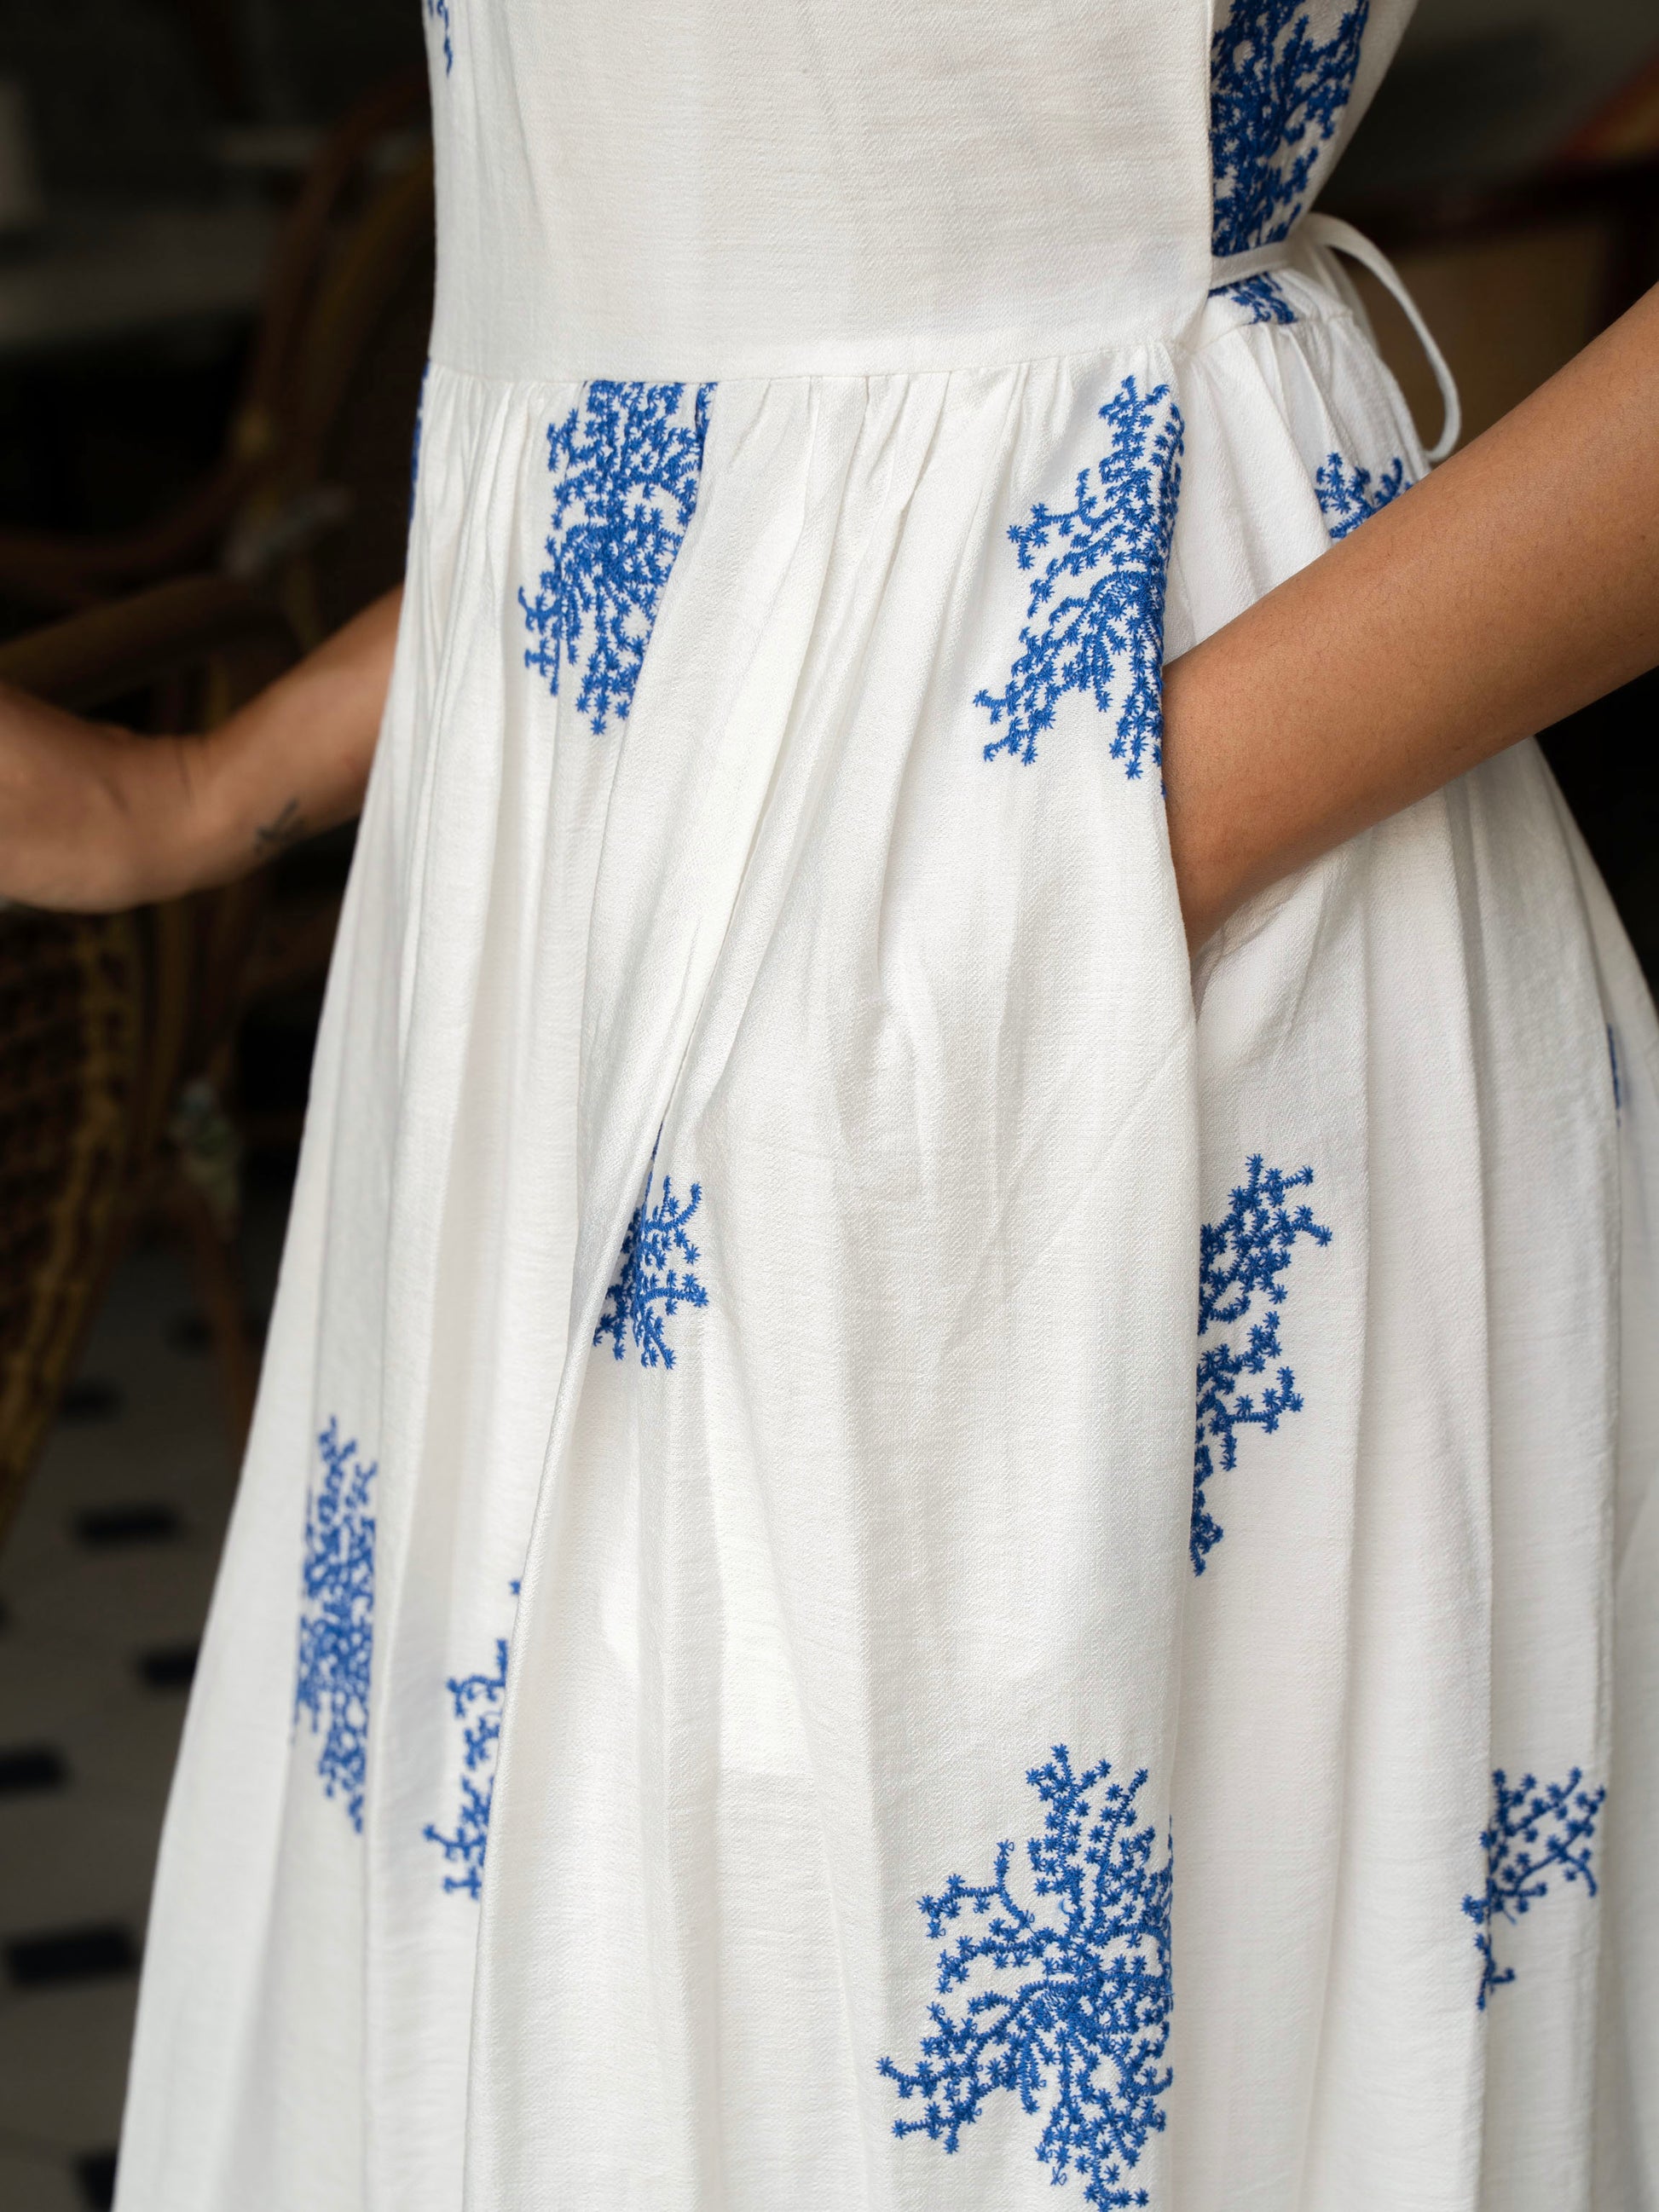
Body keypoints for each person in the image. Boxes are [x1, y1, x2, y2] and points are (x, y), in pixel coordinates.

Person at [3, 3, 1656, 2205]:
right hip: (543, 1033)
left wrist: (1058, 869)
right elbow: (725, 375)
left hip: (1128, 986)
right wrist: (228, 781)